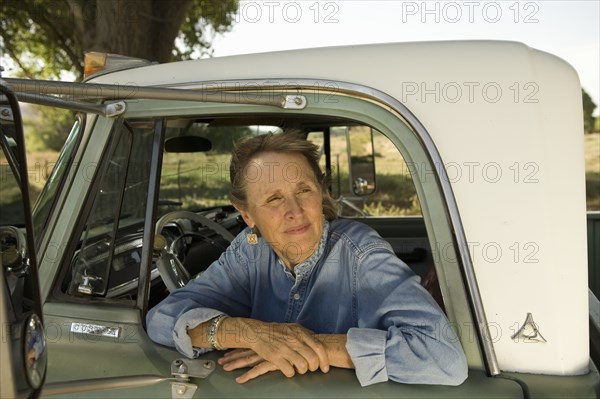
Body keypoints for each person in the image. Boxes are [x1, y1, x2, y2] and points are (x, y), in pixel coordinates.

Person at [146, 130, 468, 387]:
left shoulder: (360, 253)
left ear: (320, 192)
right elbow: (161, 319)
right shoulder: (250, 249)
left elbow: (444, 357)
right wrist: (244, 332)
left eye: (304, 191)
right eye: (274, 199)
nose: (295, 212)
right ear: (246, 215)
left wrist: (317, 346)